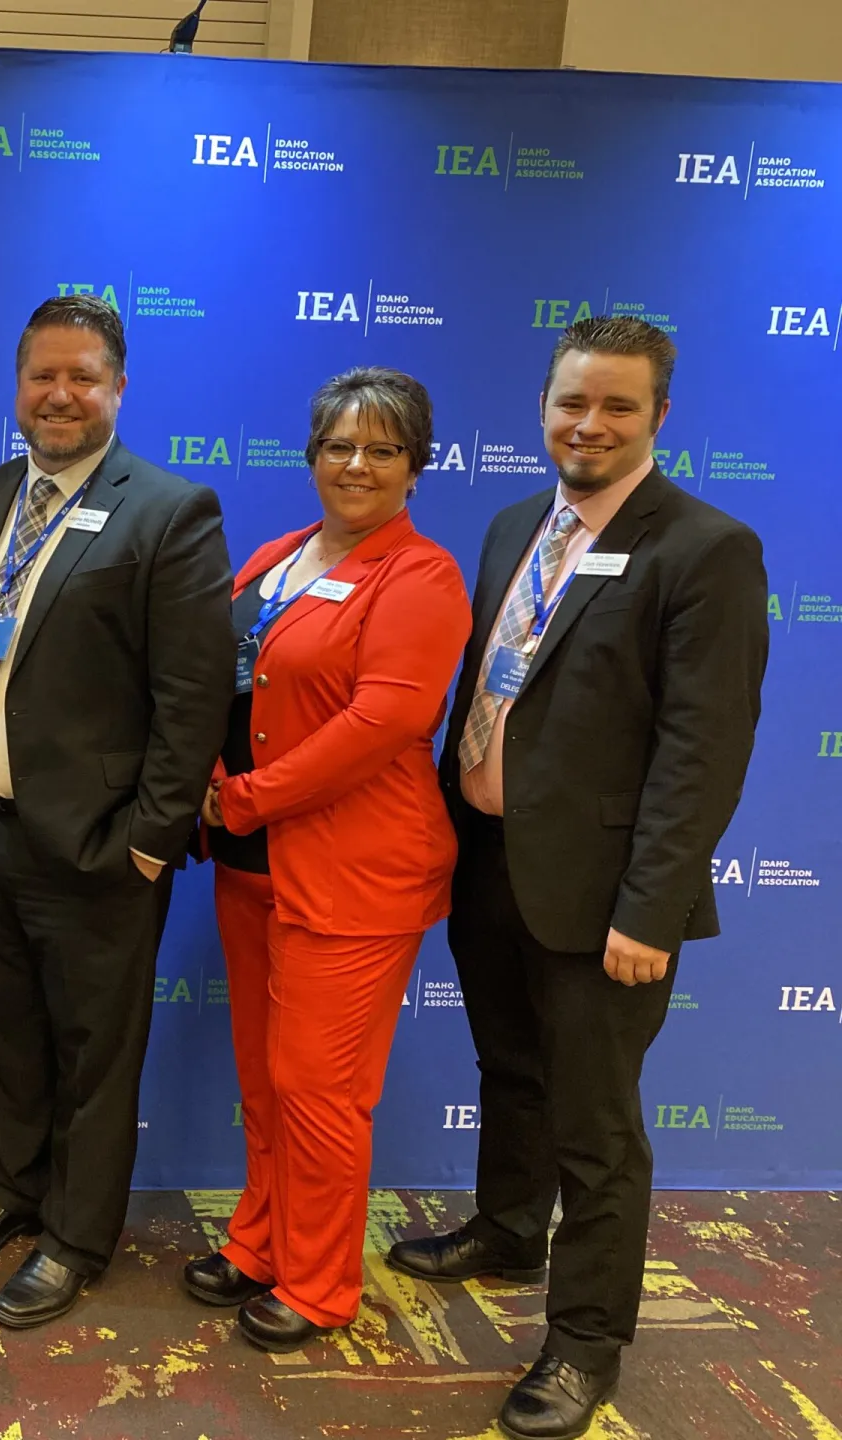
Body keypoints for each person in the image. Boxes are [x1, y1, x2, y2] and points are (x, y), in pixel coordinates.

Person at [388, 317, 767, 1440]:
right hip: (494, 861)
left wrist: (650, 907)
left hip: (607, 898)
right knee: (509, 1067)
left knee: (596, 1130)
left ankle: (585, 1342)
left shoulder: (705, 547)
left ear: (660, 416)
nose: (588, 426)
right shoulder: (518, 524)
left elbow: (702, 753)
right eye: (571, 403)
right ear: (544, 406)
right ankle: (508, 1231)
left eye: (616, 407)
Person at [0, 295, 235, 1328]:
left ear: (118, 387)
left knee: (96, 1055)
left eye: (83, 377)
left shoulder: (169, 510)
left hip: (99, 846)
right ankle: (15, 1189)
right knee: (4, 1034)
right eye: (42, 377)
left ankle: (75, 1235)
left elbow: (194, 698)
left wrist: (149, 843)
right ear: (16, 387)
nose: (60, 395)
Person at [186, 368, 470, 1351]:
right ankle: (260, 1241)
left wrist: (244, 796)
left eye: (382, 449)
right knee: (267, 1079)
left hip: (355, 875)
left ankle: (318, 1283)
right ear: (311, 455)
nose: (357, 465)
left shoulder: (420, 576)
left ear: (414, 467)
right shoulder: (276, 557)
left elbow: (383, 721)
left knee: (320, 1090)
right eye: (339, 445)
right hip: (252, 866)